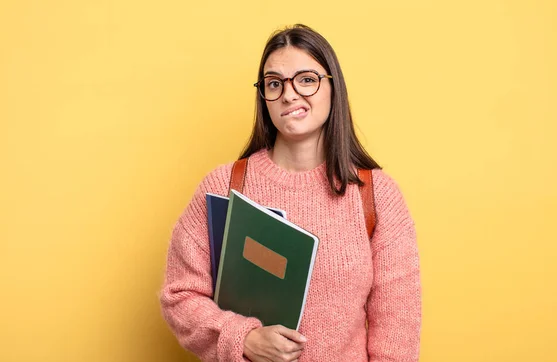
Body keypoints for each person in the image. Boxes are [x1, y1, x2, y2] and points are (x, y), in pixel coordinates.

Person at [160, 24, 421, 362]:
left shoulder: (376, 195)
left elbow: (397, 330)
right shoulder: (224, 187)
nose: (289, 94)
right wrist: (243, 339)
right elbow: (180, 296)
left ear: (333, 87)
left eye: (307, 79)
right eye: (274, 83)